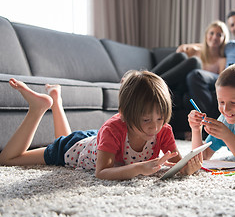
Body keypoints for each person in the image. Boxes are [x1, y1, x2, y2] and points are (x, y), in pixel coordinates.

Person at [0, 71, 202, 180]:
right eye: (146, 120)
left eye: (160, 119)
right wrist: (139, 168)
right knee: (9, 159)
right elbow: (102, 173)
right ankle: (38, 107)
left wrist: (187, 166)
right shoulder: (113, 129)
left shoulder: (163, 130)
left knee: (69, 138)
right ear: (124, 114)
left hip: (97, 142)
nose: (154, 127)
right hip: (76, 147)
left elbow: (177, 164)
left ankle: (56, 100)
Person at [151, 20, 229, 95]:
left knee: (195, 61)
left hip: (189, 86)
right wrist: (193, 46)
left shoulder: (222, 60)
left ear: (224, 38)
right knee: (181, 56)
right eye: (211, 33)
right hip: (175, 82)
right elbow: (179, 51)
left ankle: (153, 83)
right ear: (206, 36)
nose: (215, 37)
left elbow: (219, 83)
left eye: (219, 35)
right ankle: (148, 78)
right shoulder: (196, 51)